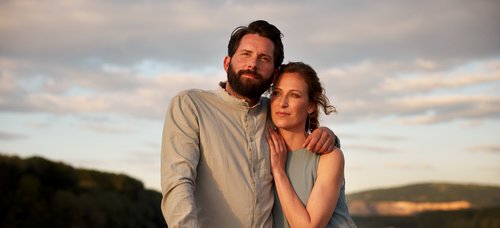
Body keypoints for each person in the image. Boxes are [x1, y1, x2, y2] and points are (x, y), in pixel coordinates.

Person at [161, 20, 338, 227]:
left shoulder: (276, 112)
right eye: (245, 54)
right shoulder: (191, 105)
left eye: (263, 58)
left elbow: (304, 134)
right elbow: (178, 184)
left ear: (274, 74)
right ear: (227, 63)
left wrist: (328, 134)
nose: (252, 64)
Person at [267, 62, 356, 228]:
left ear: (310, 106)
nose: (282, 103)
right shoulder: (264, 149)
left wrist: (279, 173)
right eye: (277, 93)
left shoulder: (329, 157)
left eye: (294, 95)